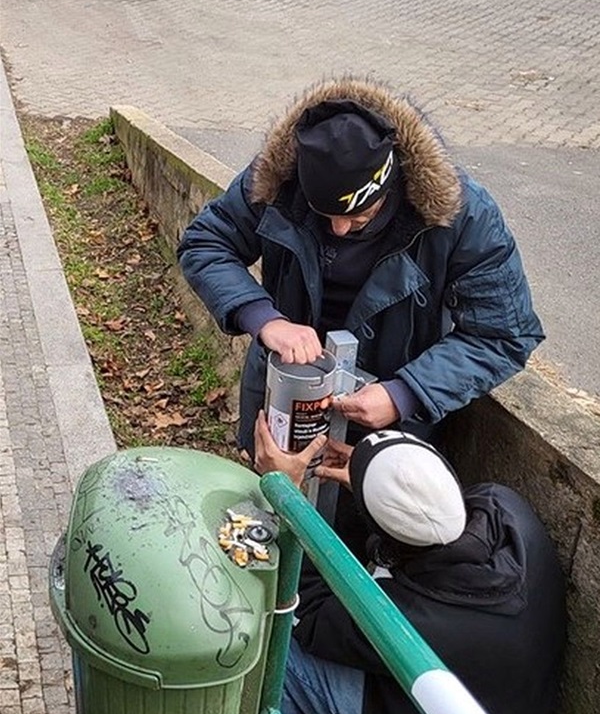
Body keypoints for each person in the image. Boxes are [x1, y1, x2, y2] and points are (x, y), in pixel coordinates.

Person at [177, 77, 544, 462]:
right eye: (325, 215)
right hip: (282, 396)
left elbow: (505, 333)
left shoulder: (463, 216)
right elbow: (206, 243)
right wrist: (266, 320)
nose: (338, 229)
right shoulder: (278, 178)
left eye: (358, 216)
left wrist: (407, 393)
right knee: (268, 508)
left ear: (390, 185)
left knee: (357, 521)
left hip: (388, 424)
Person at [253, 415, 567, 714]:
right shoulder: (504, 507)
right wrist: (379, 473)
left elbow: (312, 614)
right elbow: (422, 500)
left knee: (274, 643)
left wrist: (288, 498)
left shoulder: (407, 619)